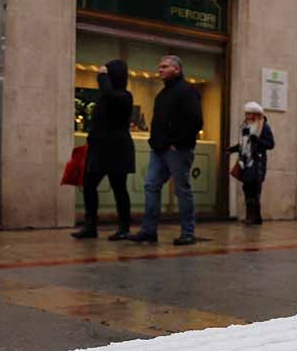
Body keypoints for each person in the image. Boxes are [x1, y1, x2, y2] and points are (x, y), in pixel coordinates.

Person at [128, 55, 203, 246]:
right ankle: (149, 230)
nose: (160, 69)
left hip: (178, 150)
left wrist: (177, 143)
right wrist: (154, 141)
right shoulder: (162, 95)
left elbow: (195, 121)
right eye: (159, 66)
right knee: (151, 186)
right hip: (159, 150)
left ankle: (188, 232)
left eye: (164, 66)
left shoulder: (188, 91)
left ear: (177, 70)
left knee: (182, 190)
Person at [71, 60, 135, 241]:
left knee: (119, 188)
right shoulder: (106, 98)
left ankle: (124, 227)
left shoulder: (124, 96)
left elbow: (108, 94)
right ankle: (91, 225)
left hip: (118, 149)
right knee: (89, 185)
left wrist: (101, 75)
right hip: (99, 148)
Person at [226, 101, 275, 225]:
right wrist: (232, 149)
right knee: (247, 188)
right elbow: (244, 144)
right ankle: (252, 217)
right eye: (246, 114)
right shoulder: (246, 128)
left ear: (256, 114)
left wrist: (258, 140)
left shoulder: (264, 127)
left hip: (257, 162)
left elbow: (270, 144)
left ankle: (255, 218)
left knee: (254, 189)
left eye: (249, 114)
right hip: (246, 162)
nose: (247, 116)